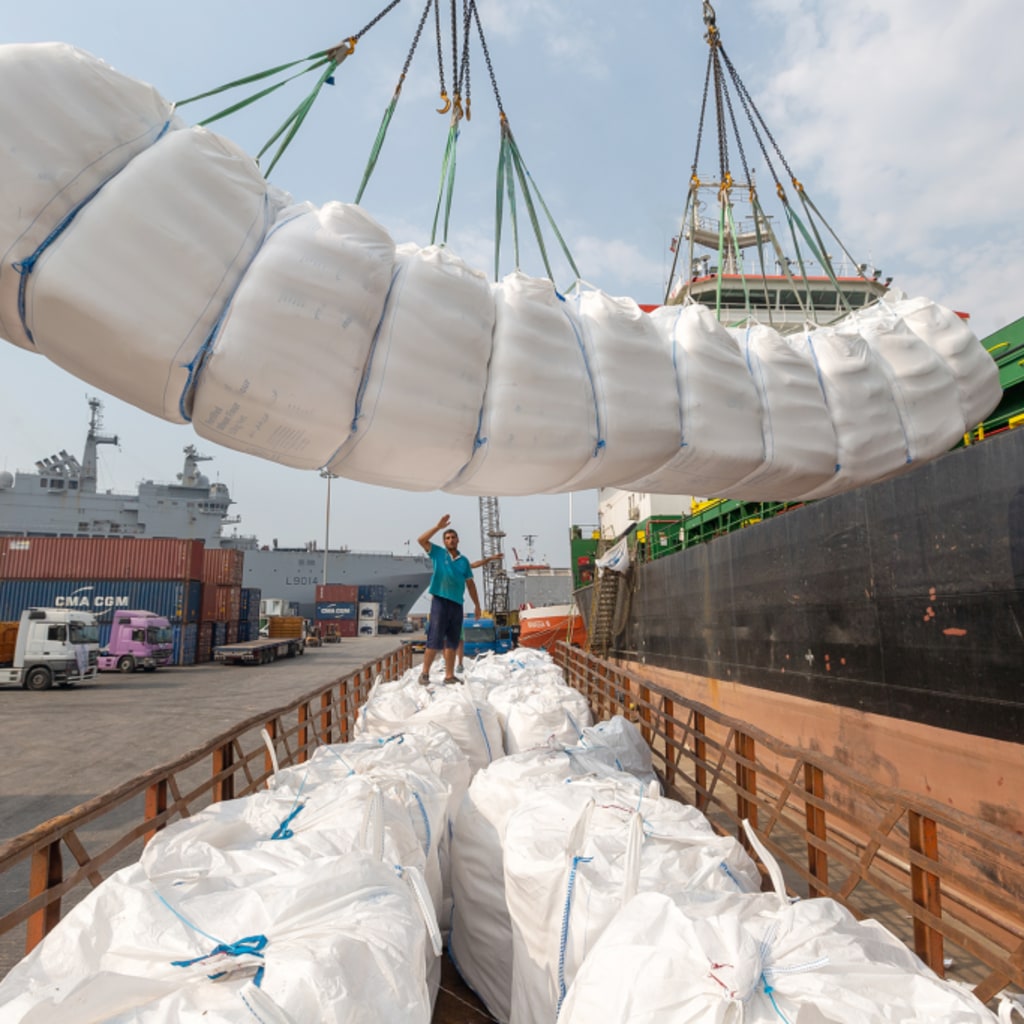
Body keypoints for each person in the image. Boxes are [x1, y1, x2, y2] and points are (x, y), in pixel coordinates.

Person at [418, 514, 482, 685]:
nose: (451, 540)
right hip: (440, 600)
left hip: (456, 604)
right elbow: (421, 540)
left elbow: (471, 585)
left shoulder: (464, 562)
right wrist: (438, 527)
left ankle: (449, 675)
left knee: (452, 641)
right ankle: (425, 673)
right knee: (434, 639)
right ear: (444, 541)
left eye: (453, 537)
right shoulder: (438, 553)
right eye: (447, 538)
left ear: (458, 540)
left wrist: (477, 605)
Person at [456, 552, 503, 673]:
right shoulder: (444, 565)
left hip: (456, 603)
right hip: (447, 602)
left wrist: (490, 558)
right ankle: (452, 665)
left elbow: (475, 564)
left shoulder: (460, 565)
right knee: (449, 638)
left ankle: (459, 664)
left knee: (459, 638)